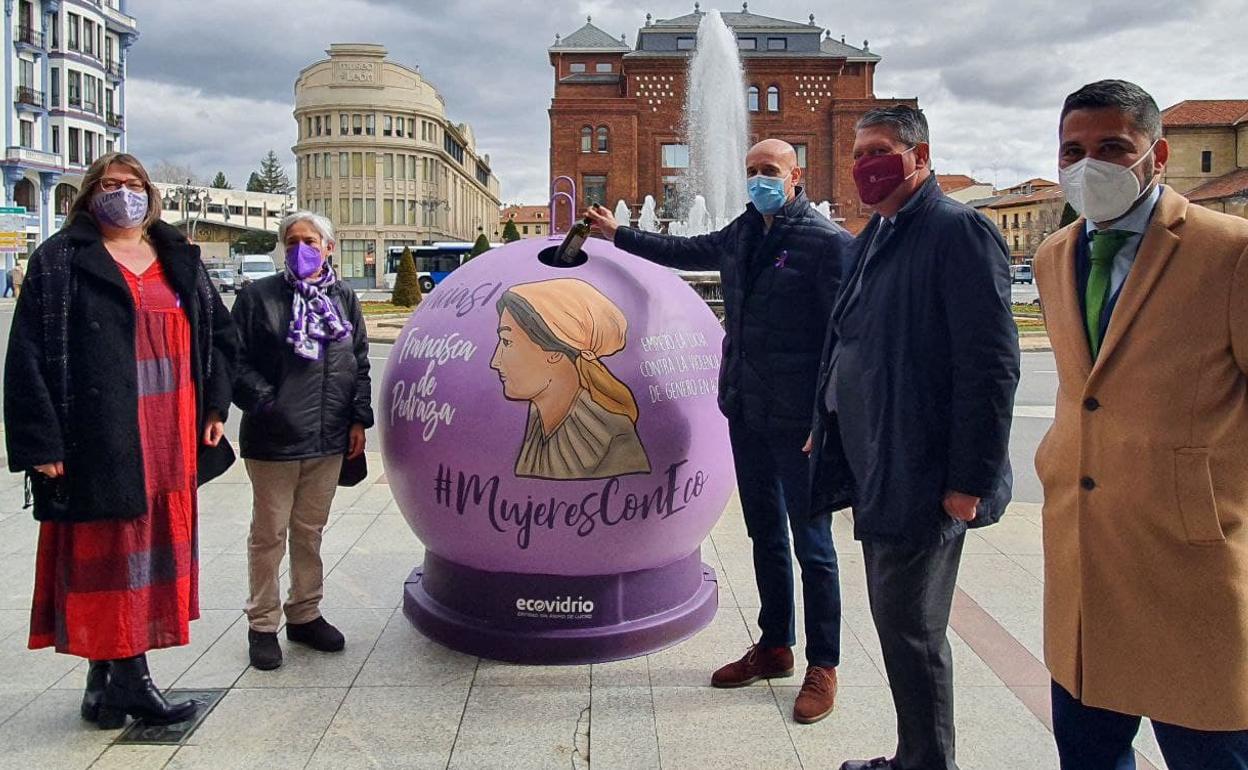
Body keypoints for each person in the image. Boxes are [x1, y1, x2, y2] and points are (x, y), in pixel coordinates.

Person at [585, 139, 851, 724]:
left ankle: (823, 664)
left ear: (796, 175)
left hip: (800, 424)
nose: (759, 179)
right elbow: (684, 248)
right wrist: (616, 235)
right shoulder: (743, 231)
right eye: (752, 170)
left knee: (814, 547)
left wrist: (825, 419)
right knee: (765, 535)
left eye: (770, 171)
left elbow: (844, 342)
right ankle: (776, 645)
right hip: (749, 412)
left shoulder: (828, 243)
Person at [1034, 79, 1248, 770]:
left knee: (1208, 752)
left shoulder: (1227, 250)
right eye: (1073, 149)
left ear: (1154, 156)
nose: (1087, 163)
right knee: (1089, 754)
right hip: (1084, 558)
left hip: (1189, 560)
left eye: (1111, 147)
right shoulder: (1053, 256)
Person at [810, 105, 1020, 770]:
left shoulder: (957, 232)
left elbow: (990, 367)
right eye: (858, 153)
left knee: (912, 632)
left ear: (919, 154)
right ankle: (915, 757)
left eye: (879, 151)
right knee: (899, 626)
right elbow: (849, 334)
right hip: (881, 462)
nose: (864, 166)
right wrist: (827, 420)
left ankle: (926, 764)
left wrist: (969, 483)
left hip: (924, 473)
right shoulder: (884, 230)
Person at [3, 152, 238, 728]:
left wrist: (214, 405)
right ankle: (132, 682)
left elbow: (218, 335)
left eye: (132, 184)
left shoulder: (178, 256)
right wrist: (42, 445)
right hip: (98, 436)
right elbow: (28, 356)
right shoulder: (60, 259)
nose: (122, 193)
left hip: (169, 433)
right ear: (90, 194)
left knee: (149, 549)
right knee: (109, 555)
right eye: (109, 184)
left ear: (149, 195)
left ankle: (102, 682)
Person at [232, 211, 372, 671]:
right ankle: (262, 624)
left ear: (329, 247)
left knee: (309, 532)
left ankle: (305, 613)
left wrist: (358, 419)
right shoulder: (258, 297)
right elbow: (234, 362)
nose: (300, 248)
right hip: (274, 439)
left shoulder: (344, 297)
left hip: (328, 439)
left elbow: (359, 362)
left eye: (309, 240)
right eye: (291, 241)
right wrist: (268, 403)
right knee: (268, 534)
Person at [491, 278, 650, 481]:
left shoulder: (614, 439)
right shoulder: (539, 422)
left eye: (507, 342)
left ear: (555, 351)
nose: (495, 361)